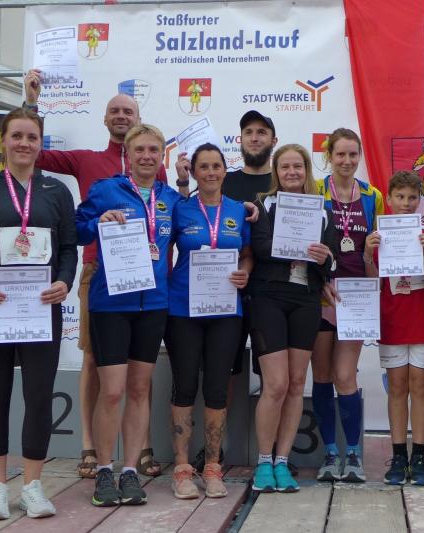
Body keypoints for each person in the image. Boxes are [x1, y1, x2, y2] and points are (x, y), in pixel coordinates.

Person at [24, 69, 184, 478]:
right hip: (100, 275)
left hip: (151, 285)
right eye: (115, 111)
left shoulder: (161, 181)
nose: (121, 116)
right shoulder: (90, 164)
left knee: (139, 377)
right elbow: (35, 156)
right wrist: (31, 105)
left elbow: (177, 224)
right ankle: (91, 449)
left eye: (128, 111)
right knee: (96, 361)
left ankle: (139, 453)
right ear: (106, 119)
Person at [0, 107, 78, 520]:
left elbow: (67, 248)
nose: (24, 143)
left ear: (41, 145)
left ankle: (33, 487)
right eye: (17, 136)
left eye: (32, 137)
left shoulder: (56, 191)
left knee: (39, 393)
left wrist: (65, 281)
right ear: (3, 141)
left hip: (40, 306)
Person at [75, 124, 182, 507]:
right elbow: (75, 229)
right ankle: (105, 469)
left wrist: (250, 213)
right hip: (111, 305)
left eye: (154, 150)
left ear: (162, 156)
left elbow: (201, 229)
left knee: (138, 390)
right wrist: (96, 223)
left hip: (153, 306)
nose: (147, 156)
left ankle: (130, 470)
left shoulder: (172, 199)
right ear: (128, 154)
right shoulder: (106, 190)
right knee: (112, 391)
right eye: (140, 150)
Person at [175, 109, 277, 471]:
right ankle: (211, 453)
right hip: (207, 301)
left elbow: (248, 247)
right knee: (222, 376)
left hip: (265, 295)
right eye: (248, 131)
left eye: (261, 131)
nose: (255, 137)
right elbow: (188, 214)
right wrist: (182, 183)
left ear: (273, 140)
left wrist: (246, 270)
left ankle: (269, 455)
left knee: (271, 379)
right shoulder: (228, 182)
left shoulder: (281, 180)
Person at [249, 145, 338, 493]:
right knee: (276, 384)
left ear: (306, 170)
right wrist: (298, 248)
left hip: (305, 300)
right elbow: (259, 247)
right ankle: (263, 462)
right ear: (276, 172)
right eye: (285, 167)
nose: (291, 172)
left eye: (297, 166)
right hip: (268, 298)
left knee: (298, 383)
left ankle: (282, 462)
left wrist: (323, 258)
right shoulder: (263, 205)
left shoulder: (323, 210)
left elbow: (331, 260)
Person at [168, 143, 254, 499]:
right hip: (182, 309)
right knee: (185, 386)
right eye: (203, 166)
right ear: (194, 172)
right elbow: (161, 249)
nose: (210, 172)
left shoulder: (238, 210)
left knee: (218, 388)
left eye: (216, 166)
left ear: (224, 169)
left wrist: (245, 272)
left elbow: (247, 254)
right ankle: (182, 468)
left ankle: (213, 467)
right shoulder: (180, 208)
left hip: (225, 311)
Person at [363, 170, 424, 486]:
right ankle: (399, 455)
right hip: (392, 319)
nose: (406, 203)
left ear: (420, 200)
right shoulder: (378, 234)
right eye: (400, 196)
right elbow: (372, 281)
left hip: (423, 319)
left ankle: (420, 456)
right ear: (389, 198)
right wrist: (367, 253)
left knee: (421, 387)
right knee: (397, 387)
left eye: (412, 197)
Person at [312, 128, 384, 482]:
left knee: (344, 375)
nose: (347, 160)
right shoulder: (315, 190)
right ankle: (329, 452)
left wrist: (371, 254)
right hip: (321, 293)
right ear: (329, 156)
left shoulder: (372, 195)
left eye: (353, 154)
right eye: (340, 154)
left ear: (359, 156)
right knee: (322, 376)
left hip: (356, 296)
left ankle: (353, 453)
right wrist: (318, 279)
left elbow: (378, 252)